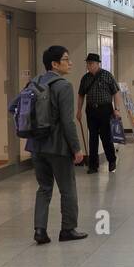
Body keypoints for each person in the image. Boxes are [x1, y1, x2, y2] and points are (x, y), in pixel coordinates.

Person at [32, 45, 87, 244]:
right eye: (66, 59)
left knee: (44, 188)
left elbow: (14, 107)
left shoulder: (34, 82)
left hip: (37, 146)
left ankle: (40, 230)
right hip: (58, 147)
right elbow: (67, 121)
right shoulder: (63, 86)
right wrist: (77, 148)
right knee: (68, 188)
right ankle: (68, 229)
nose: (70, 62)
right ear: (54, 64)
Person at [76, 52, 122, 175]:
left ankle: (111, 160)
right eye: (87, 64)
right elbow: (81, 95)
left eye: (91, 63)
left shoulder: (107, 76)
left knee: (106, 137)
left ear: (97, 64)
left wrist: (116, 109)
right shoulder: (85, 78)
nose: (88, 66)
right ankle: (93, 165)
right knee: (93, 137)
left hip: (105, 109)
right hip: (91, 110)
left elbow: (116, 92)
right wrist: (79, 110)